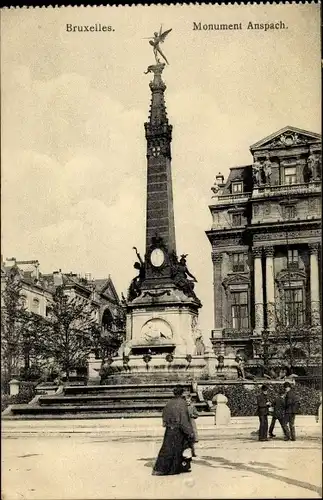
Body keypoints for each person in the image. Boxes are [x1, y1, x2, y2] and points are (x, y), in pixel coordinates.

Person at [152, 385, 195, 476]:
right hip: (178, 429)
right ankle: (177, 468)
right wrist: (189, 431)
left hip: (169, 429)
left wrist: (166, 423)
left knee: (167, 449)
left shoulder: (169, 402)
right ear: (182, 393)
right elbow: (184, 419)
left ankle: (161, 468)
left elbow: (164, 414)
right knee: (179, 449)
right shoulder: (182, 403)